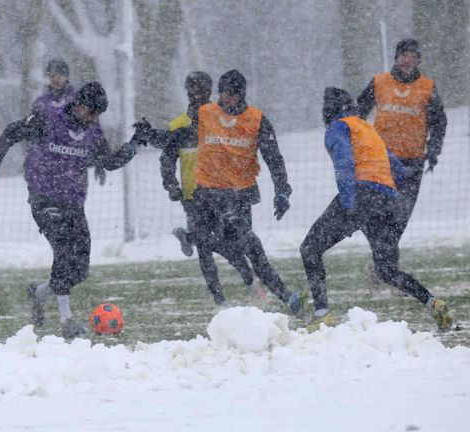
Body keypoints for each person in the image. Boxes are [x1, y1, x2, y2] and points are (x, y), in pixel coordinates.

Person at [0, 81, 142, 339]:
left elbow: (109, 162)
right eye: (90, 112)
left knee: (79, 269)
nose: (93, 118)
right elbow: (12, 132)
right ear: (78, 105)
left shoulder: (93, 132)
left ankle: (40, 293)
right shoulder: (47, 119)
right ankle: (67, 320)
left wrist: (134, 144)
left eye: (97, 115)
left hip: (73, 203)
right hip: (44, 199)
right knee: (64, 250)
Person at [300, 87, 452, 331]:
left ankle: (322, 314)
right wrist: (409, 174)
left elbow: (345, 163)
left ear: (327, 112)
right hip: (386, 200)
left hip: (362, 195)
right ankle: (432, 302)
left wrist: (350, 203)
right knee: (386, 270)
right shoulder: (367, 128)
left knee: (309, 248)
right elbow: (396, 168)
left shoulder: (338, 127)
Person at [190, 69, 303, 312]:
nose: (225, 100)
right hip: (206, 194)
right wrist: (151, 137)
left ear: (241, 95)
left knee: (250, 248)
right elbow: (176, 138)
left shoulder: (257, 120)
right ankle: (220, 302)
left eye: (230, 95)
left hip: (238, 197)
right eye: (222, 94)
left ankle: (285, 295)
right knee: (205, 244)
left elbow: (274, 159)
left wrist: (282, 191)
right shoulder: (205, 113)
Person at [149, 71, 263, 301]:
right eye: (191, 89)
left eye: (200, 89)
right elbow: (167, 158)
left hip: (224, 193)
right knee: (205, 247)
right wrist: (171, 184)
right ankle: (219, 299)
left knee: (230, 246)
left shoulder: (223, 120)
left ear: (210, 91)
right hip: (193, 195)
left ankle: (251, 283)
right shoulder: (179, 125)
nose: (195, 93)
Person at [356, 38, 447, 292]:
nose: (407, 60)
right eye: (403, 55)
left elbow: (440, 122)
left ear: (419, 60)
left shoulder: (427, 87)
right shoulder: (379, 82)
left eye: (412, 56)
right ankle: (387, 270)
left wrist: (434, 150)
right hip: (380, 162)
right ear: (396, 58)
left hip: (412, 164)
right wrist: (356, 140)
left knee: (399, 219)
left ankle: (382, 268)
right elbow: (357, 113)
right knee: (380, 217)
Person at [34, 58, 107, 186]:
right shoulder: (41, 103)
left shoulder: (79, 99)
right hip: (48, 170)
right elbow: (30, 132)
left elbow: (95, 129)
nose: (55, 78)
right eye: (52, 75)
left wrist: (100, 159)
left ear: (67, 76)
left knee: (73, 202)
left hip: (75, 167)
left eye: (59, 75)